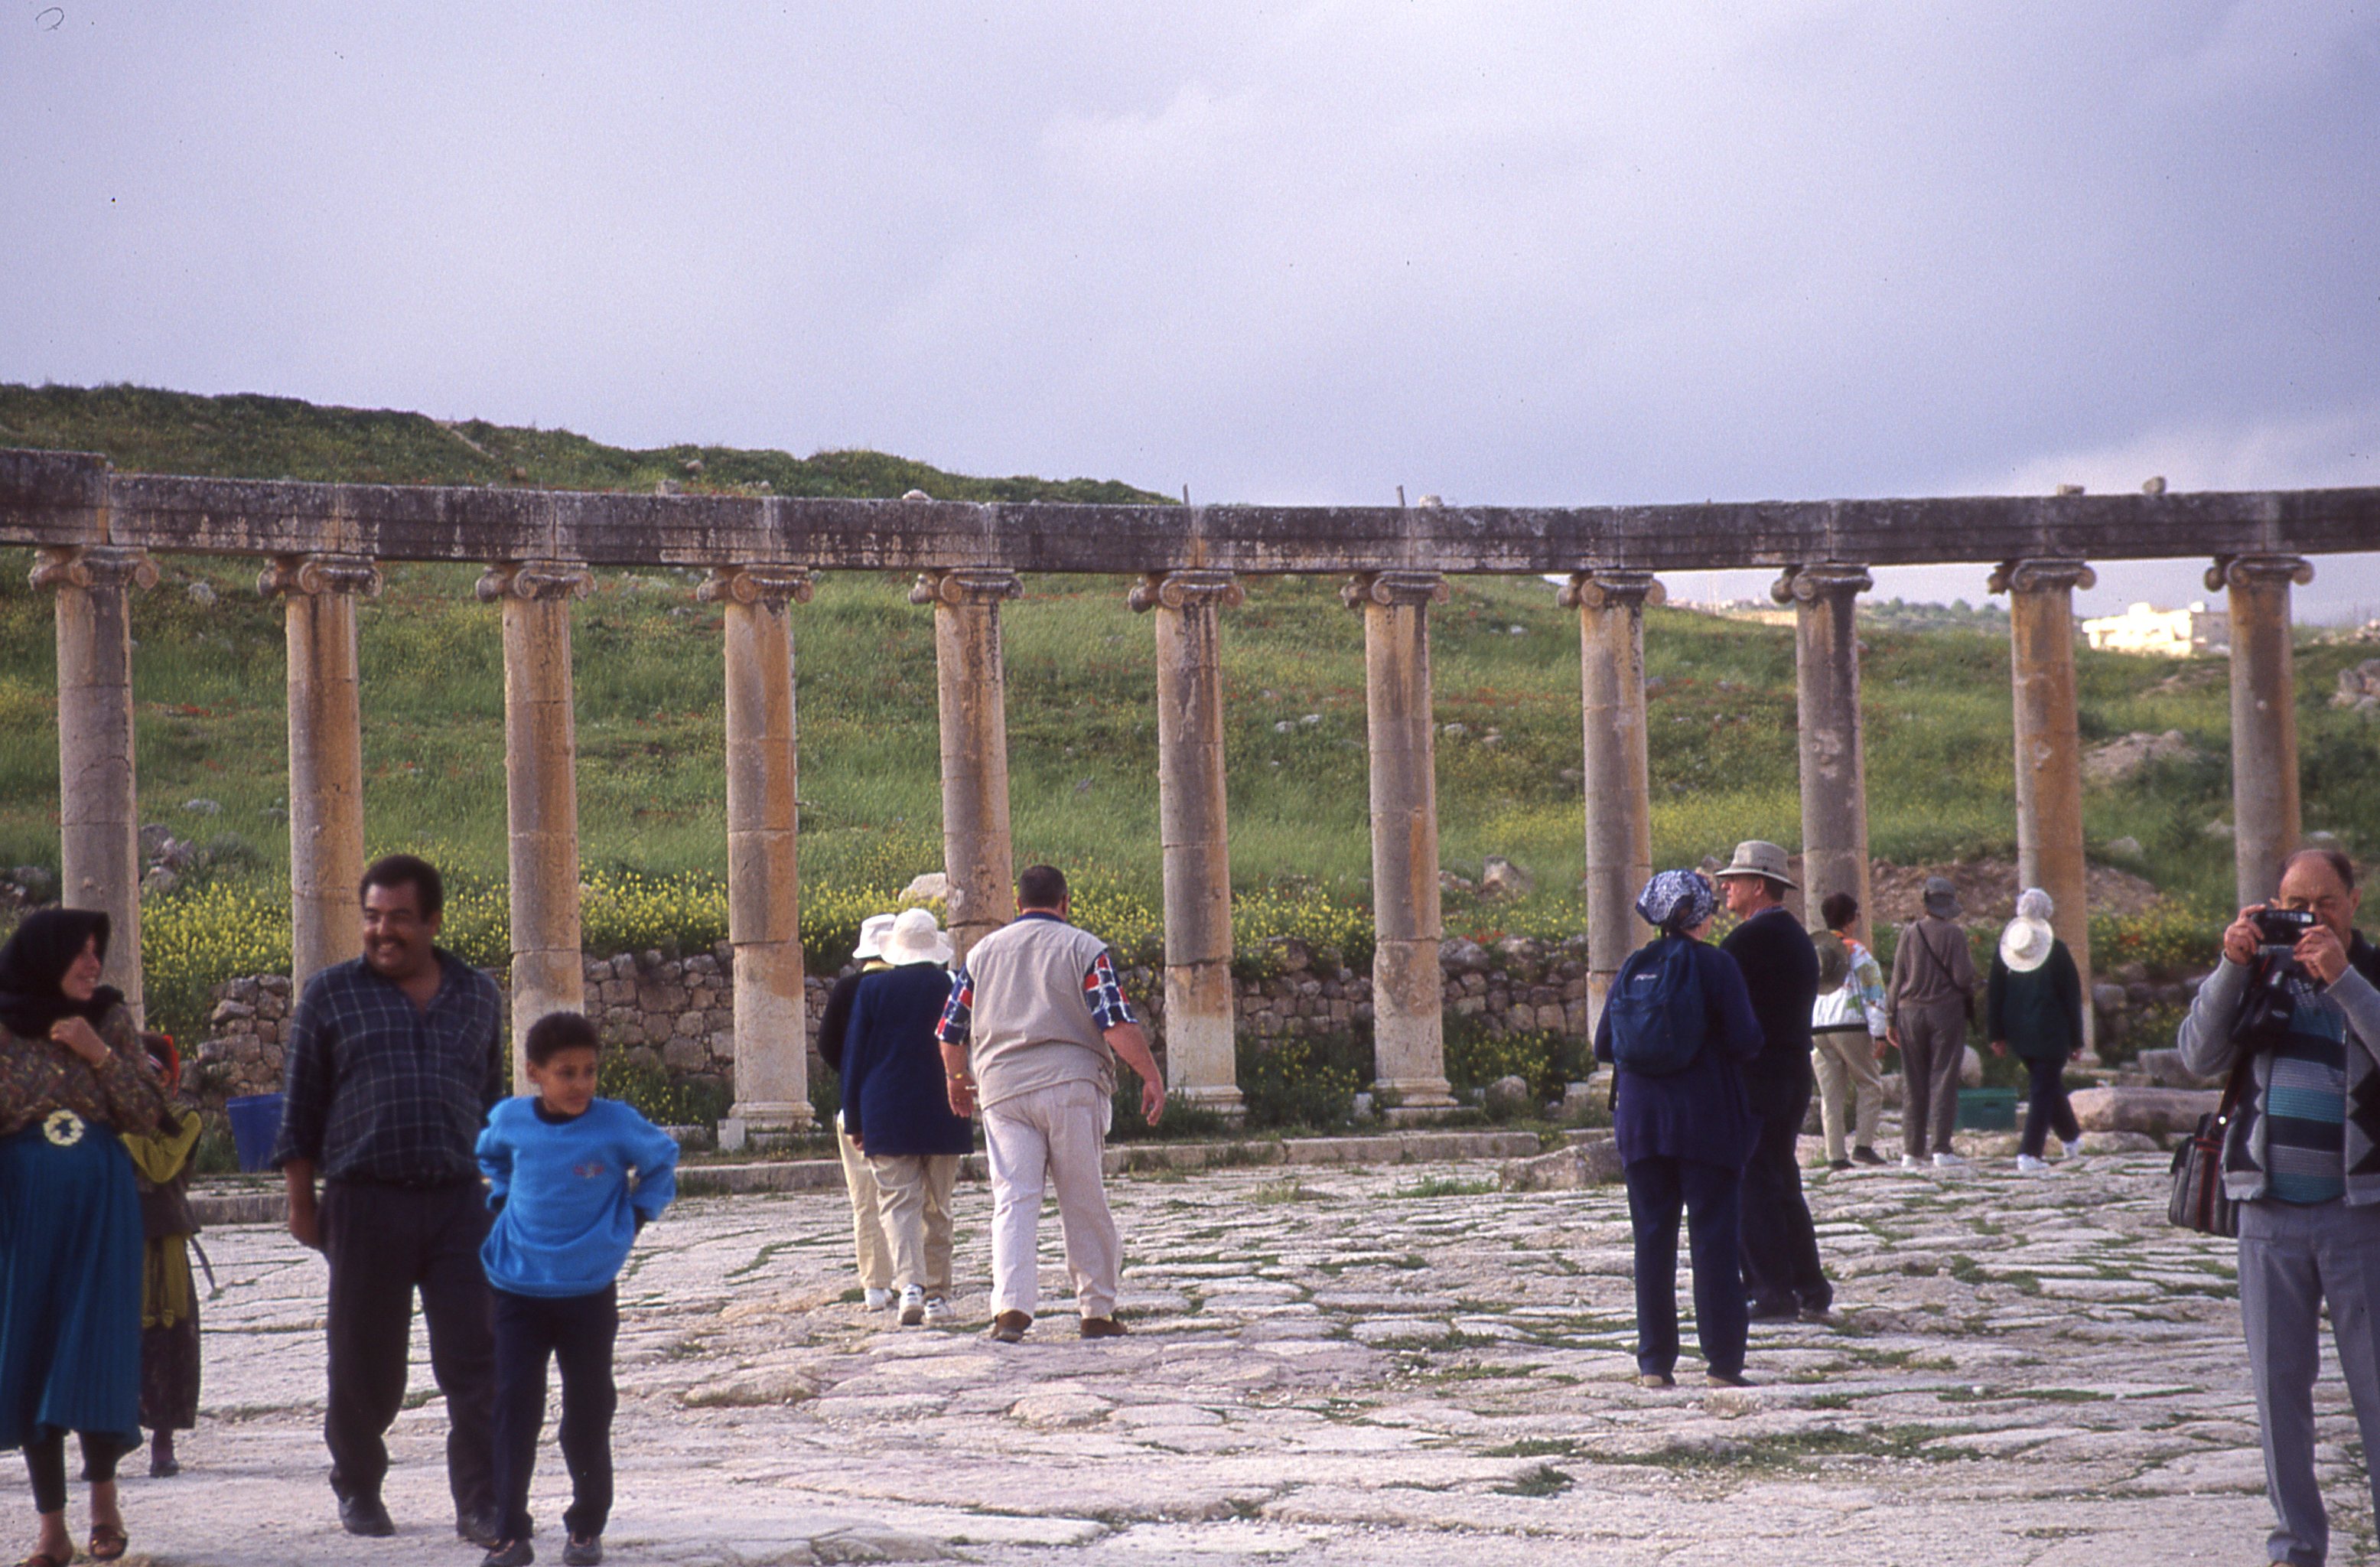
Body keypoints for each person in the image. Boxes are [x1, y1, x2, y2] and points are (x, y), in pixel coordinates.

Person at [272, 854, 507, 1545]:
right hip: (364, 1201)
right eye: (372, 917)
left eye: (399, 918)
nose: (383, 931)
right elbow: (300, 1107)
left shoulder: (479, 995)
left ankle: (481, 1503)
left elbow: (491, 1102)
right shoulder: (330, 994)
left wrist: (504, 1195)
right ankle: (358, 1484)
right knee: (364, 1363)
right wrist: (301, 1203)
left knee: (478, 1359)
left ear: (432, 921)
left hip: (459, 1202)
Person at [2177, 846, 2380, 1567]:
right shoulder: (2259, 968)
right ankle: (2295, 1547)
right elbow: (2197, 1056)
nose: (2310, 916)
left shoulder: (2369, 972)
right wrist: (2231, 965)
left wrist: (2343, 979)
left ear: (2353, 902)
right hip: (2266, 1211)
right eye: (2295, 904)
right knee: (2277, 1392)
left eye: (2324, 902)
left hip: (2359, 1213)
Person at [475, 1011, 679, 1567]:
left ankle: (586, 1527)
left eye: (589, 1071)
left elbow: (662, 1162)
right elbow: (490, 1154)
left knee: (587, 1412)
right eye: (566, 1073)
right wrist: (502, 1197)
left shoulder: (615, 1124)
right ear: (534, 1073)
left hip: (588, 1292)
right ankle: (510, 1532)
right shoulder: (511, 1119)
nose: (580, 1084)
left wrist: (636, 1216)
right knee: (515, 1409)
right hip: (517, 1290)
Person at [0, 908, 168, 1567]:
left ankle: (105, 1506)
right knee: (34, 1348)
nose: (93, 963)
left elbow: (147, 1113)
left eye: (98, 950)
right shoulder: (5, 1024)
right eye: (80, 951)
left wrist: (98, 1053)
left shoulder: (109, 1019)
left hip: (102, 1208)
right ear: (45, 957)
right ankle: (51, 1531)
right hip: (24, 1210)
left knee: (97, 1346)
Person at [937, 865, 1166, 1343]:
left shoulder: (981, 954)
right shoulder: (1084, 948)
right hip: (1071, 1086)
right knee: (1082, 1197)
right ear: (1065, 902)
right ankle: (1096, 1310)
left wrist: (957, 1080)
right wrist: (1149, 1074)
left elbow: (951, 1029)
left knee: (1013, 1200)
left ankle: (1011, 1309)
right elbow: (1114, 1022)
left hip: (1003, 1090)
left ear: (1017, 904)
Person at [1594, 871, 1766, 1389]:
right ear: (1699, 916)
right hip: (1705, 1120)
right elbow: (1745, 1040)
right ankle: (1722, 1364)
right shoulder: (1716, 965)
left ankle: (1654, 1363)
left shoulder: (1633, 966)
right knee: (1713, 1240)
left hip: (1640, 1124)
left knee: (1651, 1242)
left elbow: (1604, 1045)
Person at [1714, 841, 1828, 1321]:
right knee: (1781, 1178)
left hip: (1756, 1077)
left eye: (1733, 880)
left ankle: (1770, 1290)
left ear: (1758, 885)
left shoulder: (1747, 943)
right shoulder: (1796, 937)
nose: (1724, 887)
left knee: (1753, 1183)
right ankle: (1808, 1285)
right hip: (1791, 1072)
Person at [843, 909, 971, 1328]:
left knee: (897, 1205)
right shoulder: (951, 985)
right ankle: (937, 1294)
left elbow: (854, 1059)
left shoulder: (872, 990)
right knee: (939, 1207)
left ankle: (909, 1286)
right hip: (943, 1109)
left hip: (887, 1110)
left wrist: (854, 1119)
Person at [119, 1032, 203, 1478]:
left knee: (168, 1333)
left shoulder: (184, 1119)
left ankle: (163, 1440)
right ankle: (110, 1438)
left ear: (168, 1079)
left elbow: (159, 1163)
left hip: (163, 1240)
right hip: (116, 1238)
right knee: (116, 1336)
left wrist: (124, 1126)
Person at [816, 912, 899, 1311]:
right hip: (902, 1103)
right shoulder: (909, 985)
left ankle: (875, 1285)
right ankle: (914, 1278)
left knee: (864, 1198)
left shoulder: (846, 989)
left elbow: (827, 1045)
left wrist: (853, 1075)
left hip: (857, 1104)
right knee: (908, 1197)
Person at [1985, 888, 2083, 1174]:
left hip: (2019, 1033)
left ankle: (2071, 1138)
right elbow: (2071, 997)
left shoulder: (2007, 951)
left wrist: (1996, 1034)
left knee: (2047, 1085)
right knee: (2043, 1090)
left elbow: (1995, 993)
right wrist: (2077, 1040)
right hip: (2052, 1033)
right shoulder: (2058, 951)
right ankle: (2029, 1153)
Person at [1887, 875, 1978, 1168]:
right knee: (1943, 1078)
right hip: (1945, 1012)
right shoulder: (1955, 934)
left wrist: (1890, 1018)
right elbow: (1963, 977)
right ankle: (1941, 1148)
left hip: (1908, 1013)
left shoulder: (1909, 932)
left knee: (1913, 1082)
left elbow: (1897, 978)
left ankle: (1911, 1152)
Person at [1809, 893, 1889, 1171]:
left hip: (1819, 1027)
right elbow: (1873, 991)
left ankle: (1835, 1155)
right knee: (1870, 1083)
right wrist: (1880, 1032)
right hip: (1850, 1024)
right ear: (1849, 919)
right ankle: (1863, 1146)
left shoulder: (1815, 950)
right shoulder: (1856, 951)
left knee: (1830, 1095)